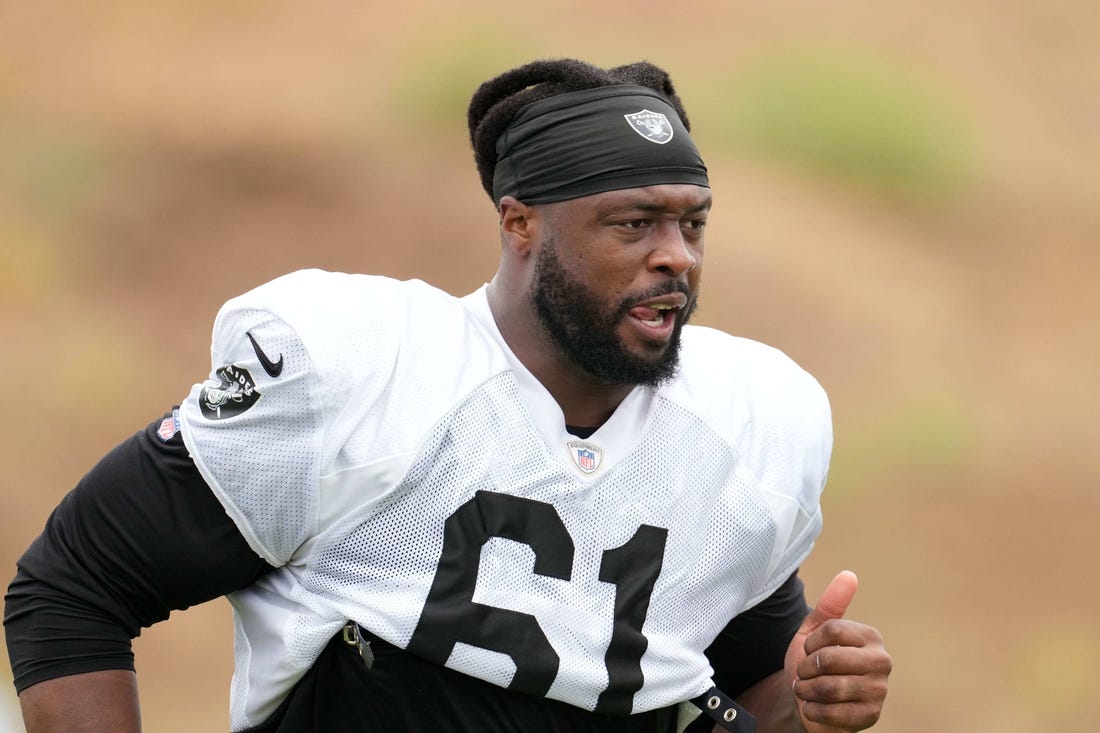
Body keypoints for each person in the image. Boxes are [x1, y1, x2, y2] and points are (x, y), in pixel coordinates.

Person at [4, 58, 891, 732]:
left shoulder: (748, 419)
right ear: (519, 223)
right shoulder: (366, 374)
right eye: (634, 223)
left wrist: (813, 698)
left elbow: (735, 673)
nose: (678, 257)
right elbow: (76, 586)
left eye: (692, 223)